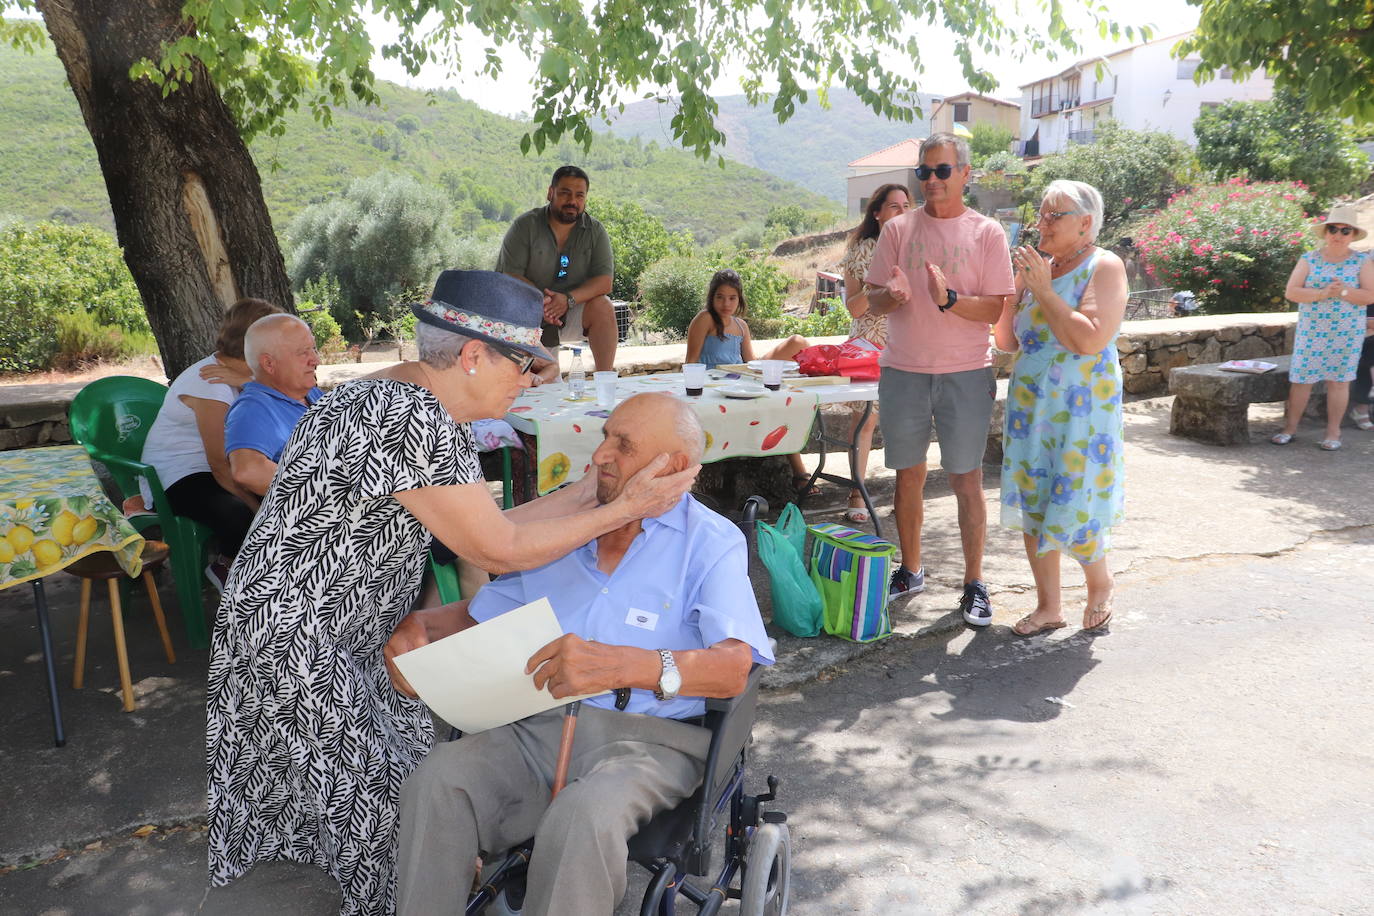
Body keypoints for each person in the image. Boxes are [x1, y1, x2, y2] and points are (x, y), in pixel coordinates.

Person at [205, 271, 697, 915]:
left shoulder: (387, 393)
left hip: (318, 638)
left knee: (414, 784)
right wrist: (620, 508)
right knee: (387, 833)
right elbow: (491, 551)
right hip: (300, 652)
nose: (527, 380)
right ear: (471, 356)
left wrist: (585, 493)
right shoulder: (413, 422)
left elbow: (487, 530)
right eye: (522, 364)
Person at [387, 392, 773, 916]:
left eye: (624, 444)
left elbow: (733, 667)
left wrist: (624, 665)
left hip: (650, 744)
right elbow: (481, 614)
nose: (599, 456)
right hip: (533, 729)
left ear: (674, 467)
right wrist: (421, 626)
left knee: (584, 814)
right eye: (604, 436)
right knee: (435, 782)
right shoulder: (562, 533)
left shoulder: (710, 542)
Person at [862, 133, 1015, 624]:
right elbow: (872, 301)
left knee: (966, 479)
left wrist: (948, 299)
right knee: (907, 476)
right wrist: (893, 296)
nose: (931, 181)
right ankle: (910, 569)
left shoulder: (987, 233)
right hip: (903, 370)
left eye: (942, 171)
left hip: (966, 373)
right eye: (924, 172)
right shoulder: (898, 230)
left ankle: (974, 583)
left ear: (965, 174)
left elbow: (994, 307)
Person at [994, 180, 1128, 635]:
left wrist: (1046, 292)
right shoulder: (1040, 267)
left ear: (1085, 223)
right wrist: (1010, 291)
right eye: (1042, 214)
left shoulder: (1103, 266)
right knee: (1036, 498)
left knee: (1075, 497)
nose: (1042, 223)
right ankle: (1049, 606)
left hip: (1080, 408)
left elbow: (1090, 339)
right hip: (1032, 405)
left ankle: (1099, 584)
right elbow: (1007, 342)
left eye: (1055, 216)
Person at [139, 297, 281, 585]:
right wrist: (259, 513)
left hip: (214, 467)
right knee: (242, 514)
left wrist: (249, 383)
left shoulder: (244, 374)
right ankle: (227, 566)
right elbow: (219, 465)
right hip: (177, 476)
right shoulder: (211, 384)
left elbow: (295, 397)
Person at [684, 269, 812, 492]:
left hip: (739, 386)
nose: (726, 303)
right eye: (720, 297)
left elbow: (749, 363)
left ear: (739, 299)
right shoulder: (704, 319)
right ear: (711, 297)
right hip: (713, 388)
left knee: (780, 408)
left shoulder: (742, 326)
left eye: (732, 298)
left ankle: (800, 473)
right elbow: (691, 362)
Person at [836, 182, 913, 523]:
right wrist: (875, 284)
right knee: (864, 422)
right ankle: (856, 493)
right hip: (870, 345)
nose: (901, 211)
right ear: (878, 213)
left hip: (909, 344)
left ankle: (907, 495)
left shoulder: (917, 248)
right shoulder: (861, 250)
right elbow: (853, 309)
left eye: (906, 205)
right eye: (894, 206)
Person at [497, 165, 620, 374]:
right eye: (565, 193)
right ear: (550, 193)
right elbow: (509, 275)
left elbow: (604, 281)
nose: (572, 201)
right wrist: (542, 303)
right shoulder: (525, 226)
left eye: (579, 195)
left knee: (603, 307)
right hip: (527, 313)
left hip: (570, 310)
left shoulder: (595, 231)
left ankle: (605, 380)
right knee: (544, 386)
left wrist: (567, 300)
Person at [1271, 205, 1374, 451]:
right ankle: (1290, 429)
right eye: (1333, 229)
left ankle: (1333, 433)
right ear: (1325, 232)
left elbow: (1370, 296)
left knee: (1338, 382)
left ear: (1352, 234)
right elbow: (1291, 291)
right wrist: (1321, 293)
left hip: (1347, 332)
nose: (1338, 234)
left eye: (1345, 230)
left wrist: (1344, 292)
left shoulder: (1362, 261)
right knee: (1301, 380)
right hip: (1312, 331)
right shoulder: (1309, 259)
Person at [222, 313, 324, 499]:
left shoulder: (312, 395)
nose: (315, 360)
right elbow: (247, 471)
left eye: (313, 349)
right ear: (269, 364)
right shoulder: (253, 409)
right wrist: (328, 492)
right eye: (303, 352)